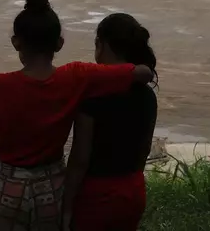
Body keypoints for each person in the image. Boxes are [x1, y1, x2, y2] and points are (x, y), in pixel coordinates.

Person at [0, 0, 154, 231]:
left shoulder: (0, 84)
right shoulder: (76, 76)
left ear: (16, 42)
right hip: (51, 185)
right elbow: (142, 73)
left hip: (10, 184)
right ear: (59, 43)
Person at [62, 13, 158, 231]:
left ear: (101, 44)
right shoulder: (147, 95)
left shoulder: (93, 95)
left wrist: (66, 206)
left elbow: (80, 159)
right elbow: (144, 150)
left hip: (96, 195)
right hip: (133, 190)